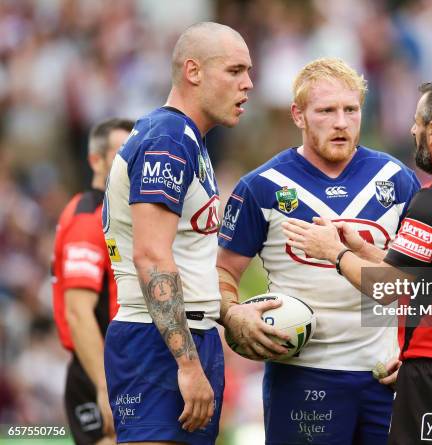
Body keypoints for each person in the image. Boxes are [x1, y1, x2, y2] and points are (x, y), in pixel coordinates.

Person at [283, 78, 432, 445]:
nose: (412, 130)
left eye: (417, 122)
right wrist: (363, 249)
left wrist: (334, 252)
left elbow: (388, 287)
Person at [217, 58, 421, 445]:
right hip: (302, 376)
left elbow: (421, 280)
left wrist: (417, 350)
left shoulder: (397, 180)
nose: (341, 122)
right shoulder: (261, 187)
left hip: (384, 376)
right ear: (299, 115)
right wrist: (233, 313)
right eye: (326, 110)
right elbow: (223, 272)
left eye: (351, 110)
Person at [102, 22, 253, 445]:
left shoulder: (189, 139)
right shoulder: (168, 138)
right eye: (235, 71)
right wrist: (187, 364)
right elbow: (150, 257)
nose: (248, 84)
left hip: (183, 337)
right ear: (193, 71)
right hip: (158, 343)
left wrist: (229, 315)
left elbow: (187, 256)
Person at [52, 118, 134, 445]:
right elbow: (78, 313)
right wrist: (104, 385)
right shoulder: (89, 218)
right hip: (101, 371)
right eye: (122, 152)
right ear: (95, 160)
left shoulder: (118, 212)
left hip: (122, 366)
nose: (132, 160)